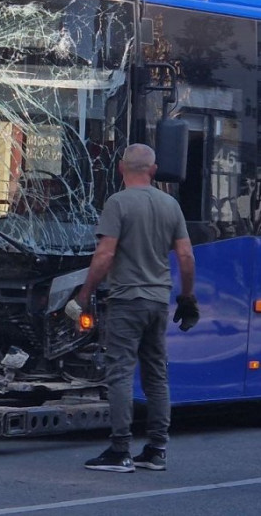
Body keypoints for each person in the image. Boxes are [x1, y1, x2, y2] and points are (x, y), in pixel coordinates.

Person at [65, 143, 198, 473]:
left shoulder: (118, 203)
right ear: (154, 171)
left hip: (127, 300)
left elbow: (105, 255)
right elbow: (186, 256)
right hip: (159, 301)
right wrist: (187, 298)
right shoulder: (170, 204)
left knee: (121, 373)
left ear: (121, 168)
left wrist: (84, 294)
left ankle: (120, 450)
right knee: (156, 375)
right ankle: (156, 450)